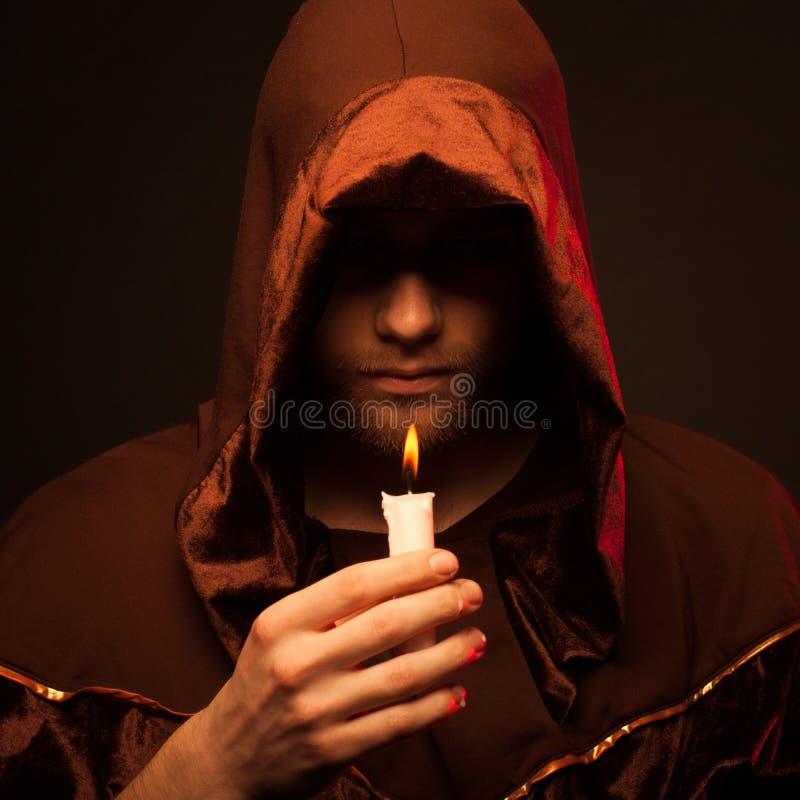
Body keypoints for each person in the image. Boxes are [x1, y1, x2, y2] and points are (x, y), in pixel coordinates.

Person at [1, 1, 798, 798]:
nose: (410, 321)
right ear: (283, 256)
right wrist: (204, 772)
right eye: (355, 251)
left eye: (467, 250)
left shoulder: (735, 546)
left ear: (541, 254)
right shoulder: (72, 574)